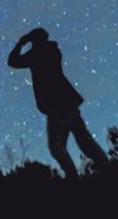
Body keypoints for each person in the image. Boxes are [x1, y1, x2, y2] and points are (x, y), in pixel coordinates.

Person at [7, 27, 110, 179]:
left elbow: (12, 61)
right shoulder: (53, 51)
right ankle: (108, 169)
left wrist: (21, 43)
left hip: (56, 106)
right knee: (85, 142)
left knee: (57, 147)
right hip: (67, 102)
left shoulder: (37, 54)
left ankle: (74, 177)